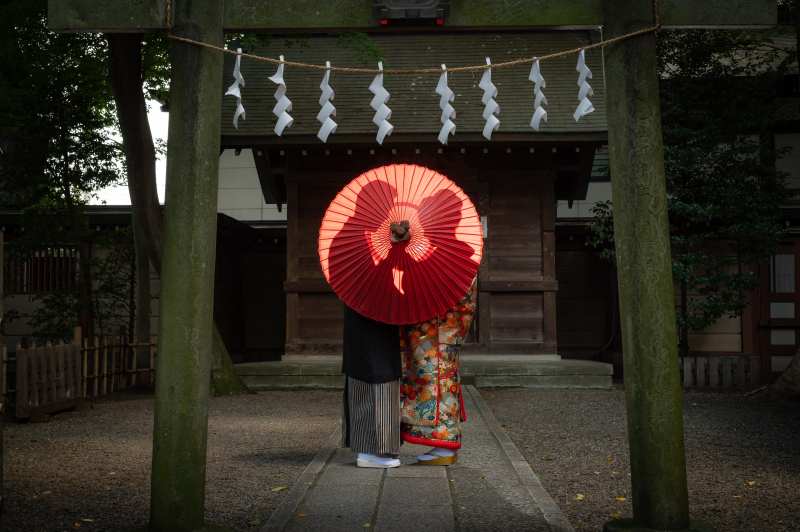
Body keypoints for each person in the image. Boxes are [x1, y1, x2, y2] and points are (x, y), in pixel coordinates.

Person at [399, 278, 477, 465]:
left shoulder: (452, 264)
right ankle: (444, 445)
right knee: (441, 381)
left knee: (438, 384)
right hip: (443, 328)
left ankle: (445, 445)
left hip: (440, 328)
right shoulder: (460, 261)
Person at [341, 304, 403, 468]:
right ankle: (368, 451)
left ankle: (383, 446)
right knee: (372, 371)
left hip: (381, 311)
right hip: (365, 309)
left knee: (385, 371)